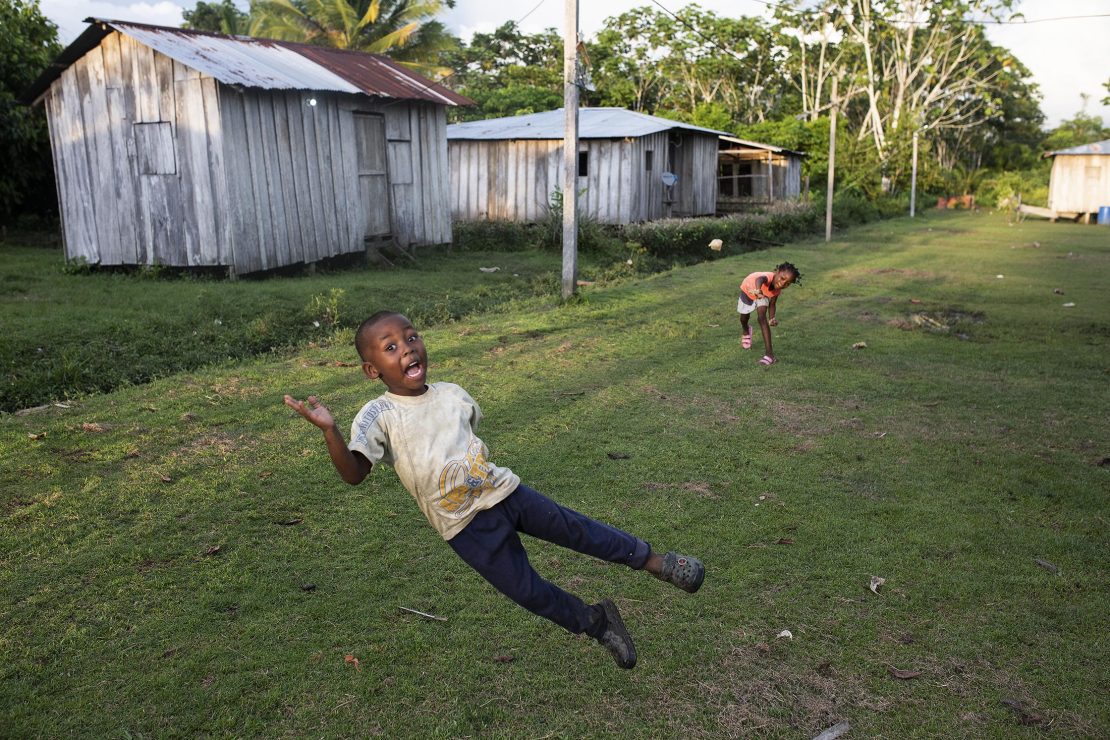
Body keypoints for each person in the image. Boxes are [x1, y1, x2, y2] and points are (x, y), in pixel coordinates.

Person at [284, 310, 704, 669]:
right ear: (372, 370)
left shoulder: (452, 395)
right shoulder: (378, 414)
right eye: (390, 347)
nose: (407, 348)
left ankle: (656, 561)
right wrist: (330, 431)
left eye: (411, 338)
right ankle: (597, 623)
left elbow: (467, 438)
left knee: (579, 530)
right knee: (527, 591)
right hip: (463, 525)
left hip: (505, 492)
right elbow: (354, 473)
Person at [737, 262, 801, 365]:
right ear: (777, 272)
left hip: (762, 295)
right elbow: (759, 280)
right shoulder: (768, 276)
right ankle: (746, 330)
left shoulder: (777, 290)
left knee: (762, 318)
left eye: (788, 283)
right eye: (782, 278)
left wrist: (772, 318)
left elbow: (772, 304)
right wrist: (758, 290)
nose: (783, 283)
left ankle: (769, 355)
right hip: (748, 290)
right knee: (743, 318)